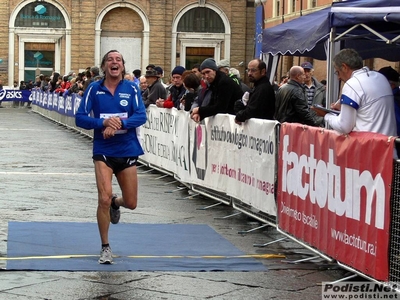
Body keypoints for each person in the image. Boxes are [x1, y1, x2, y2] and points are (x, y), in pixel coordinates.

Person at [75, 50, 147, 264]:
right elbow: (80, 118)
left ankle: (117, 203)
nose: (114, 63)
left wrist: (120, 124)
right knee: (103, 198)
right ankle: (105, 247)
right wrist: (103, 123)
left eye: (118, 60)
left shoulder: (132, 88)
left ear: (123, 66)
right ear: (104, 66)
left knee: (132, 203)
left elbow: (141, 115)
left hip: (127, 150)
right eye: (110, 60)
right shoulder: (94, 89)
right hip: (103, 151)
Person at [312, 48, 397, 140]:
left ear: (344, 67)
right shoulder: (381, 78)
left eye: (338, 72)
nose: (338, 77)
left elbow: (344, 126)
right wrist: (343, 108)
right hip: (388, 146)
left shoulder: (352, 84)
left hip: (368, 147)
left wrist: (326, 115)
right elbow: (370, 111)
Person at [190, 58, 243, 122]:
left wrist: (199, 110)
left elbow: (220, 107)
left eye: (208, 72)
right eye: (203, 74)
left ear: (214, 70)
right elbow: (212, 103)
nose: (206, 76)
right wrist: (200, 114)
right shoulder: (214, 83)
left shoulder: (224, 82)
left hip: (234, 120)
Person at [234, 59, 275, 124]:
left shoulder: (263, 88)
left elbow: (253, 111)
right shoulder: (258, 86)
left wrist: (239, 115)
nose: (249, 73)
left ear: (263, 71)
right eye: (248, 70)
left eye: (253, 70)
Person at [301, 61, 326, 126]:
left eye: (308, 71)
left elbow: (325, 105)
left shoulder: (321, 88)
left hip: (317, 123)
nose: (306, 74)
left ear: (312, 72)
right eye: (304, 71)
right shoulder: (298, 88)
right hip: (302, 123)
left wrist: (322, 120)